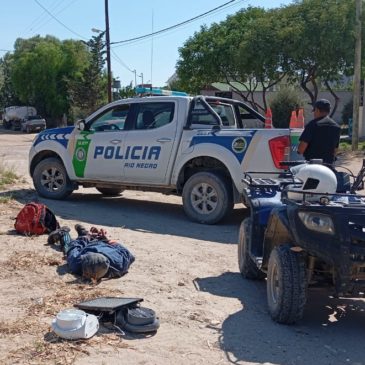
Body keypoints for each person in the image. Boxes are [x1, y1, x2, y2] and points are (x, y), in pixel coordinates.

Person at [297, 99, 341, 165]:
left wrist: (298, 151)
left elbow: (301, 149)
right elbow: (335, 151)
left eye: (314, 111)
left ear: (317, 110)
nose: (314, 113)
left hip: (312, 166)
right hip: (329, 167)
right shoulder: (336, 127)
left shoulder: (312, 125)